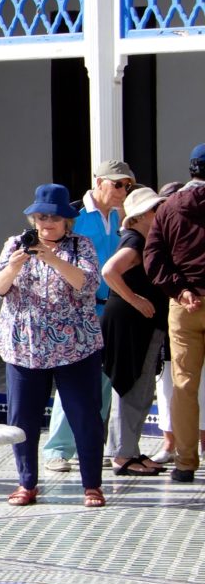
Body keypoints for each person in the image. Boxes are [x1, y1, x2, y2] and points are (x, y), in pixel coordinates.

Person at [0, 184, 106, 507]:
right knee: (22, 418)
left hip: (75, 347)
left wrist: (53, 260)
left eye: (53, 218)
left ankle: (92, 484)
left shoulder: (81, 246)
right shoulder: (14, 244)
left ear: (66, 221)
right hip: (24, 348)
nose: (46, 224)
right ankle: (26, 483)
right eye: (40, 217)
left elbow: (89, 284)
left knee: (85, 415)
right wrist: (13, 266)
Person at [42, 160, 135, 473]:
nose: (123, 191)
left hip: (113, 308)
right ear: (99, 181)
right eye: (118, 183)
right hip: (78, 308)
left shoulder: (122, 217)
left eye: (128, 186)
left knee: (105, 379)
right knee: (73, 378)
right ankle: (58, 448)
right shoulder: (74, 216)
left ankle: (91, 443)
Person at [145, 143, 205, 483]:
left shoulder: (169, 207)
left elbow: (154, 258)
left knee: (183, 385)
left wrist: (180, 289)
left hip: (184, 304)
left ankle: (185, 463)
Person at [100, 187, 168, 476]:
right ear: (140, 216)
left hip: (138, 322)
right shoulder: (135, 241)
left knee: (140, 388)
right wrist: (136, 300)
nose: (160, 215)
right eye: (155, 210)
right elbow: (109, 271)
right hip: (131, 323)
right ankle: (123, 454)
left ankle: (128, 448)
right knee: (131, 386)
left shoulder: (143, 240)